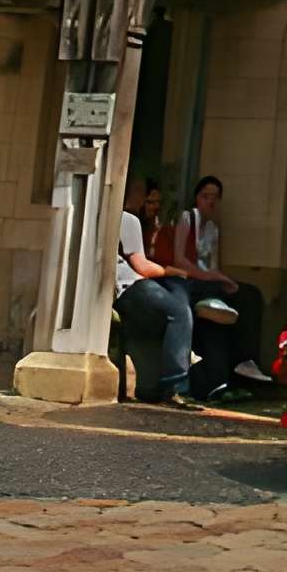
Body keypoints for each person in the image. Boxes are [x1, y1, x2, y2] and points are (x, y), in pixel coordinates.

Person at [171, 173, 271, 396]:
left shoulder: (213, 229)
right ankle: (238, 362)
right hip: (190, 282)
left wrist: (222, 280)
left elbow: (214, 265)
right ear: (197, 198)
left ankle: (246, 359)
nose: (210, 201)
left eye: (215, 197)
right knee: (225, 294)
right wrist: (213, 278)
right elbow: (180, 260)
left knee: (250, 294)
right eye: (206, 196)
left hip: (209, 282)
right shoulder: (188, 218)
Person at [113, 175, 194, 405]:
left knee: (168, 311)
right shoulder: (128, 219)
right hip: (129, 287)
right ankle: (176, 382)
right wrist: (171, 271)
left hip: (119, 291)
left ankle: (150, 384)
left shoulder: (111, 217)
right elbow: (142, 266)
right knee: (179, 311)